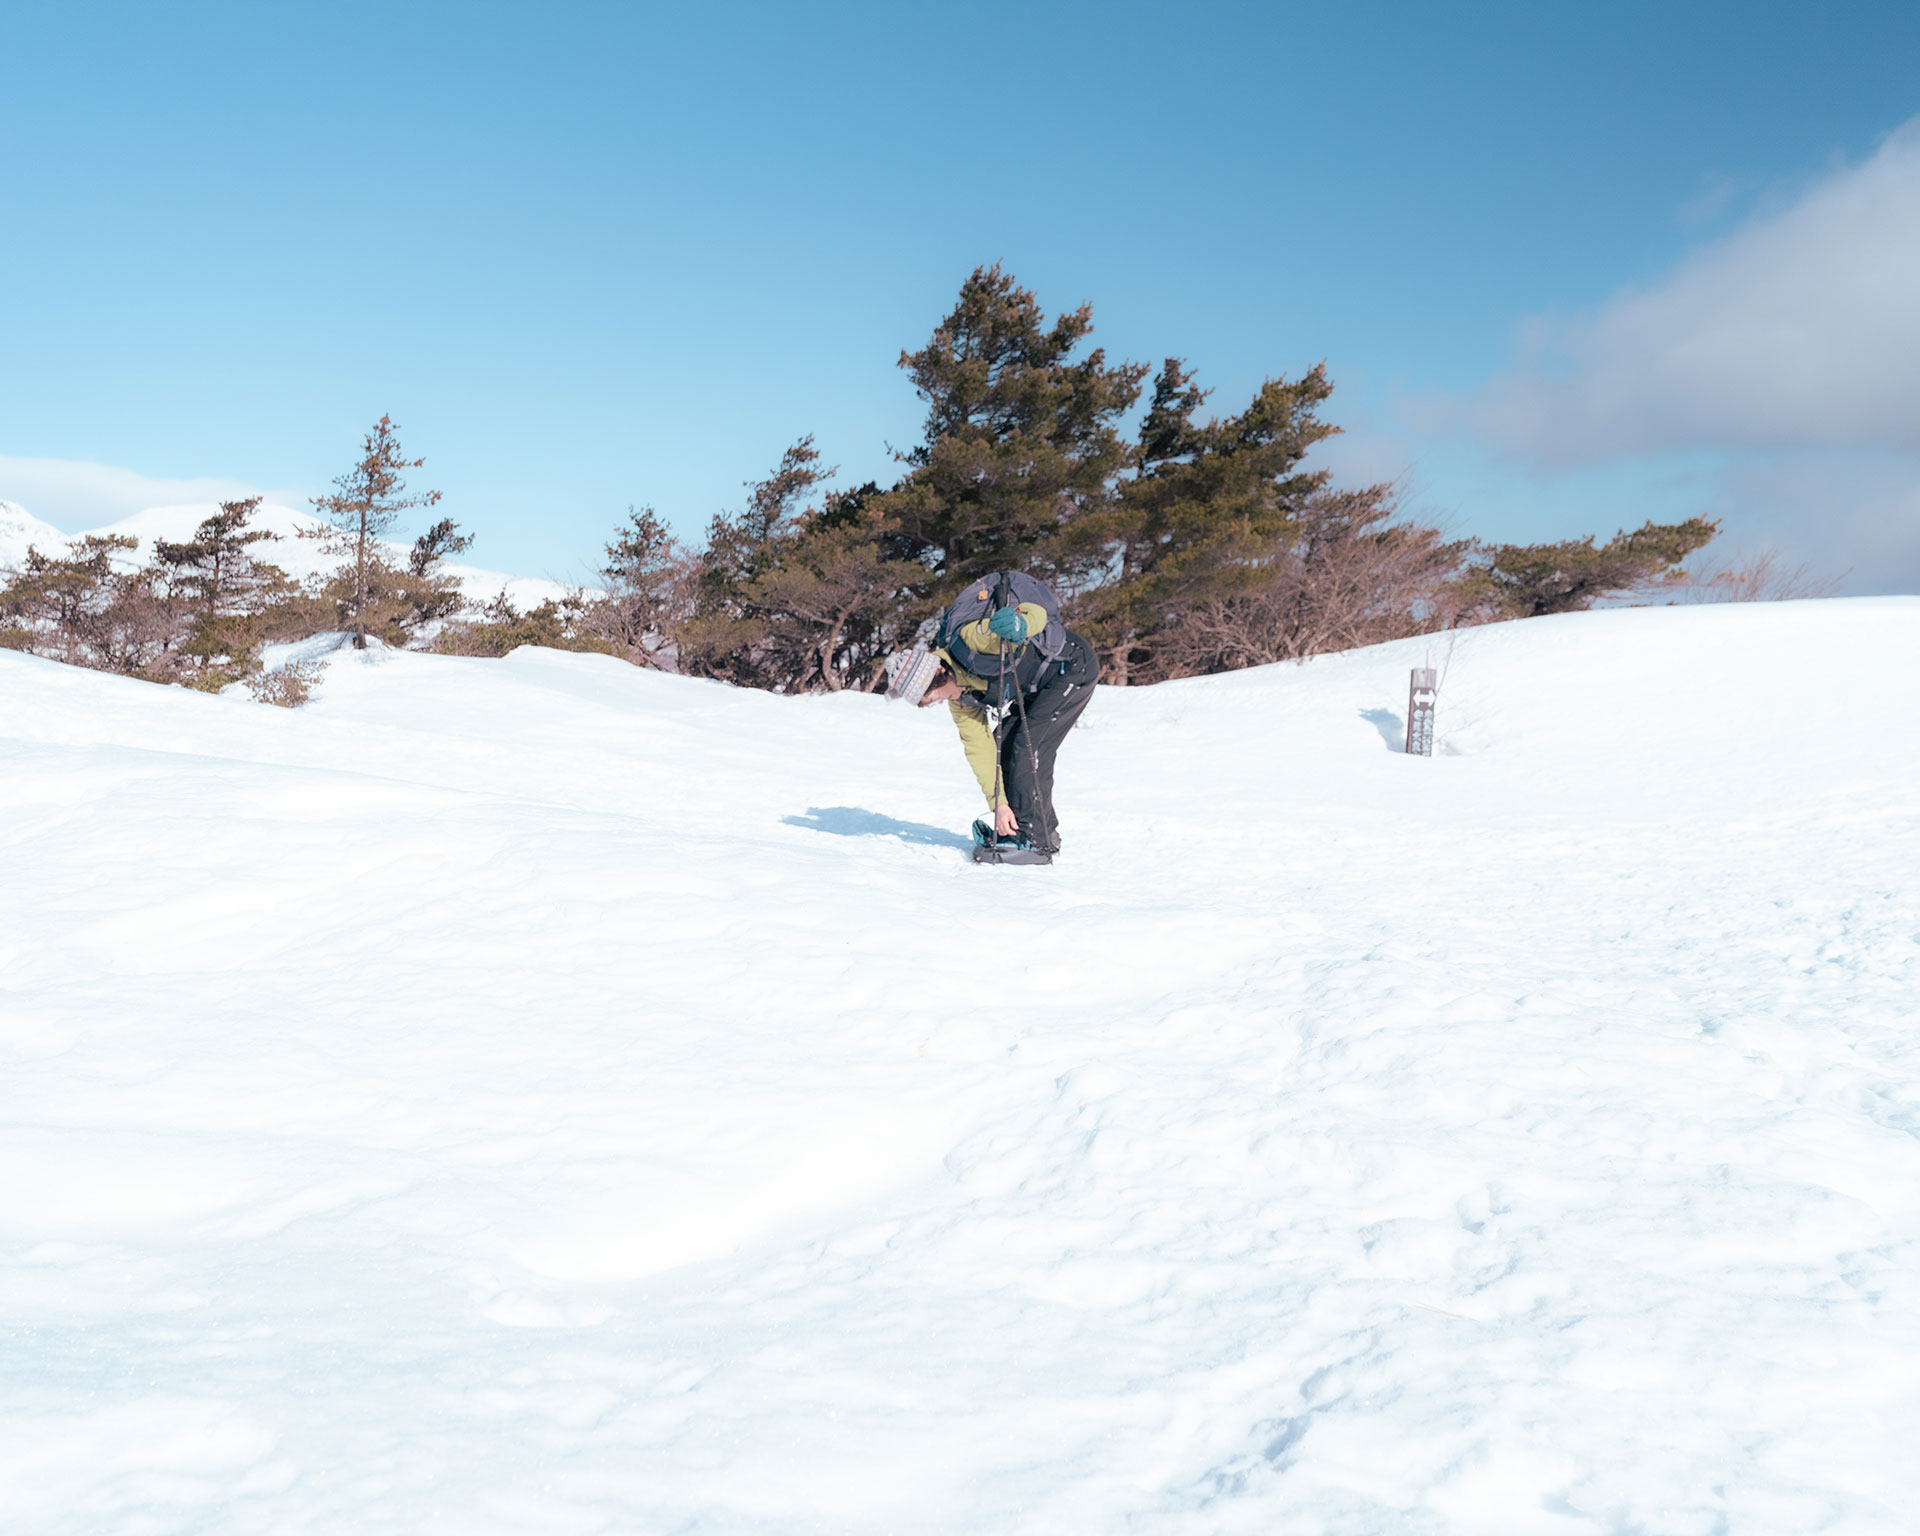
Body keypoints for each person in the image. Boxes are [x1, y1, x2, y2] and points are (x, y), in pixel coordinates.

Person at [916, 570, 1100, 854]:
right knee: (1003, 743)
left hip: (1071, 667)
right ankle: (1028, 828)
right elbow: (981, 751)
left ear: (941, 674)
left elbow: (1035, 612)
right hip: (1038, 687)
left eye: (935, 696)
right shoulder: (961, 700)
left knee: (1028, 747)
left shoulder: (971, 642)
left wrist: (1020, 622)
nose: (941, 701)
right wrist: (999, 804)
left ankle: (1037, 839)